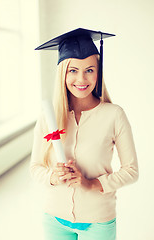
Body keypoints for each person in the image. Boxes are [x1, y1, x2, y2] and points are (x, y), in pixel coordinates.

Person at [30, 28, 139, 240]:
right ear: (63, 72)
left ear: (98, 72)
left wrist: (92, 183)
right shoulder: (48, 116)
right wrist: (53, 176)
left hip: (98, 221)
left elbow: (131, 170)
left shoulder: (114, 114)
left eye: (89, 69)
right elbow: (35, 168)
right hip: (54, 219)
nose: (81, 78)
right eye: (73, 70)